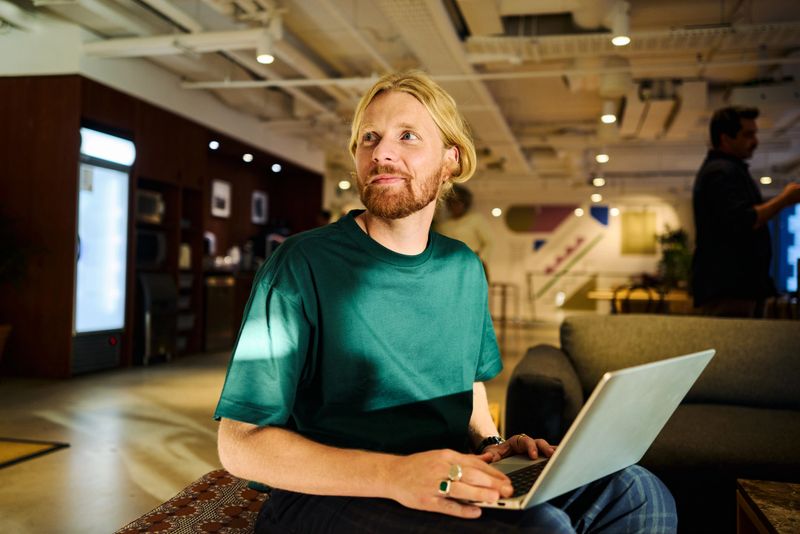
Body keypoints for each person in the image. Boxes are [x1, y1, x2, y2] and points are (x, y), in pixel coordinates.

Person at [214, 70, 677, 533]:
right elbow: (239, 444)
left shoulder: (463, 267)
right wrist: (396, 474)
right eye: (369, 138)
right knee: (543, 527)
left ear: (450, 160)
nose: (381, 153)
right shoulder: (300, 264)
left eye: (407, 136)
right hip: (330, 494)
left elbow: (467, 385)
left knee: (639, 492)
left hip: (447, 472)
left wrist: (493, 444)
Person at [692, 106, 800, 317]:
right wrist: (784, 200)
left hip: (735, 288)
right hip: (730, 289)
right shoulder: (720, 173)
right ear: (725, 139)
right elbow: (745, 219)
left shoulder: (726, 170)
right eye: (748, 135)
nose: (755, 141)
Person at [436, 184, 494, 279]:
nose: (454, 206)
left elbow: (489, 241)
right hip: (451, 265)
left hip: (473, 263)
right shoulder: (443, 225)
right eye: (451, 203)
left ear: (465, 204)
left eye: (458, 202)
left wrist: (479, 259)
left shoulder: (476, 219)